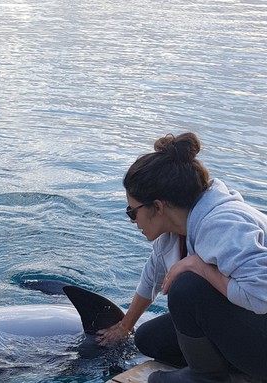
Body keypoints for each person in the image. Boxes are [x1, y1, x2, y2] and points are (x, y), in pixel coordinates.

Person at [96, 132, 267, 382]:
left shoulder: (222, 224)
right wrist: (124, 327)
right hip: (254, 326)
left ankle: (206, 377)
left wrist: (200, 267)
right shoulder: (176, 228)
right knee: (148, 339)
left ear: (158, 206)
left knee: (187, 286)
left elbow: (261, 294)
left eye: (132, 212)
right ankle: (237, 373)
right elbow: (150, 279)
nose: (132, 221)